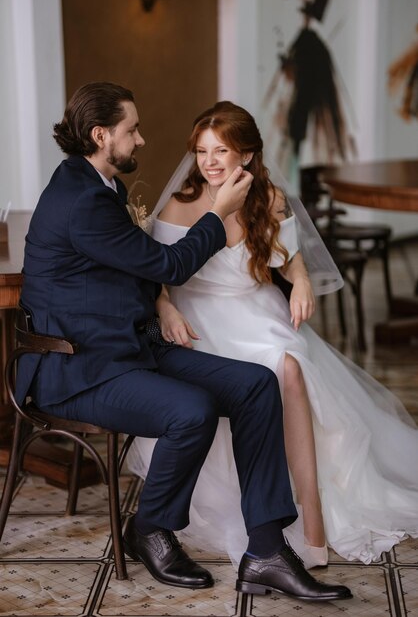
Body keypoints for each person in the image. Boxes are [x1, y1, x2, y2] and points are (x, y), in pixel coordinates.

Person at [16, 82, 351, 602]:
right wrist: (217, 213)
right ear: (102, 135)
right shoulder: (81, 199)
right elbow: (168, 263)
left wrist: (163, 303)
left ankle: (265, 552)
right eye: (132, 130)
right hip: (77, 368)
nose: (143, 140)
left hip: (125, 347)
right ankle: (149, 528)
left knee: (258, 384)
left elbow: (138, 268)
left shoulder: (99, 185)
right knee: (191, 411)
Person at [127, 100, 418, 570]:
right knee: (265, 373)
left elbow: (291, 257)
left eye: (221, 150)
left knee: (290, 367)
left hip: (257, 309)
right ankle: (269, 521)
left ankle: (314, 521)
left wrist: (301, 280)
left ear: (246, 154)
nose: (210, 161)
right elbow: (156, 276)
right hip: (201, 319)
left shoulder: (269, 199)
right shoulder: (181, 206)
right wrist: (163, 306)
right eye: (202, 151)